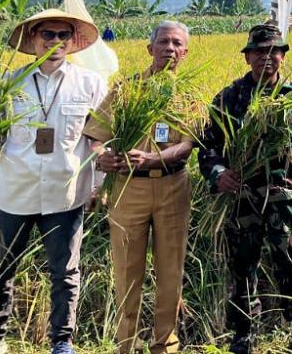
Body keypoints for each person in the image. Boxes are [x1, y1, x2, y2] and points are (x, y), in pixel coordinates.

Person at [0, 9, 106, 354]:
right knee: (0, 270)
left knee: (64, 272)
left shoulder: (90, 84)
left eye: (62, 35)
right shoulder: (10, 82)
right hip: (14, 192)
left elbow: (98, 140)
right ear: (33, 39)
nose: (55, 41)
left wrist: (98, 183)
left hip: (65, 193)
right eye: (47, 35)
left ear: (72, 41)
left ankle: (62, 342)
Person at [198, 24, 292, 354]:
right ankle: (243, 334)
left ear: (282, 56)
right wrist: (219, 174)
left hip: (284, 197)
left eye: (274, 52)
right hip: (242, 198)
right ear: (248, 56)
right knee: (242, 266)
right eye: (259, 52)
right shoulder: (229, 97)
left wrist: (283, 170)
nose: (267, 58)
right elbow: (208, 147)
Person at [83, 21, 195, 353]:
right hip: (128, 190)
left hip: (172, 187)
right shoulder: (126, 89)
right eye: (163, 42)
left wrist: (152, 159)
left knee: (170, 271)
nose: (170, 49)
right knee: (126, 270)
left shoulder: (188, 95)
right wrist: (103, 158)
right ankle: (125, 345)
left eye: (177, 44)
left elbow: (188, 145)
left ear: (186, 52)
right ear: (150, 49)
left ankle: (165, 344)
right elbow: (95, 139)